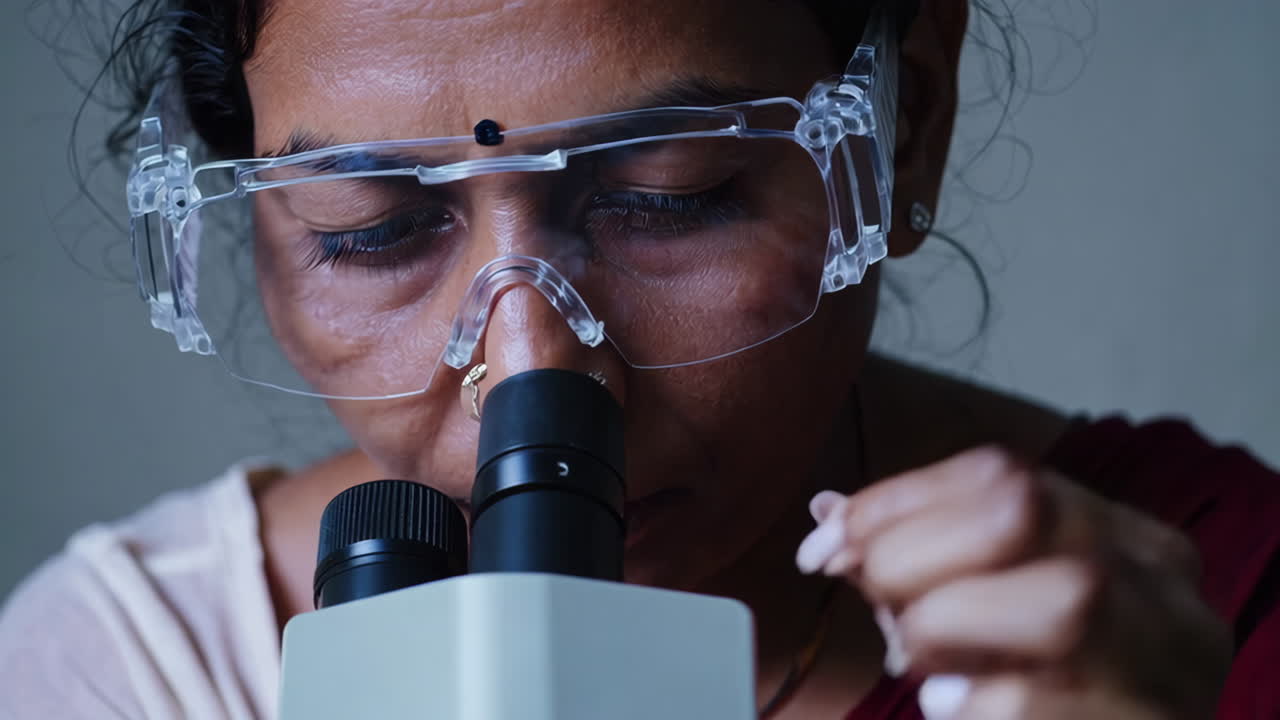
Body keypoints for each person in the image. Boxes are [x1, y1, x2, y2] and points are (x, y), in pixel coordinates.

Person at [1, 0, 1276, 717]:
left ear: (903, 132)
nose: (533, 375)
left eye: (672, 197)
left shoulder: (1220, 596)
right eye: (369, 231)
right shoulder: (132, 672)